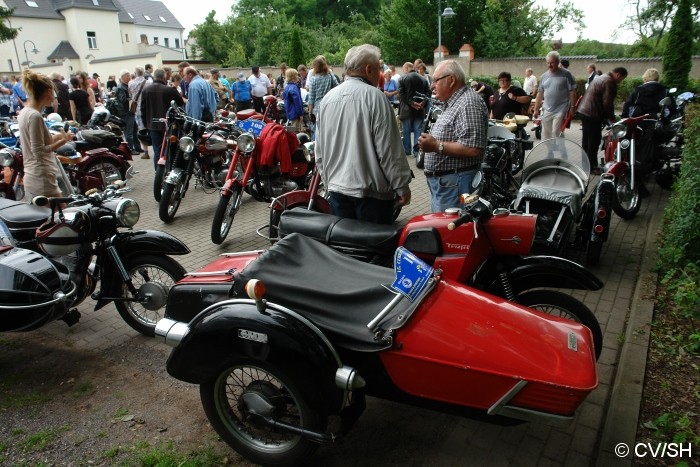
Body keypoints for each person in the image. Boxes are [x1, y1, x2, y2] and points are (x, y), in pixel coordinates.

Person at [316, 44, 411, 224]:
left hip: (337, 191)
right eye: (378, 69)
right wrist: (402, 187)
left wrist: (329, 182)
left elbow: (319, 152)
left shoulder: (327, 99)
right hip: (372, 197)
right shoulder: (376, 98)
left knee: (344, 249)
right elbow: (389, 151)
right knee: (373, 249)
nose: (380, 74)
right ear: (369, 69)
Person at [418, 60, 488, 213]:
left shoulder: (468, 103)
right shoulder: (455, 102)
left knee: (451, 234)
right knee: (445, 232)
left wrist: (436, 146)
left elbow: (473, 148)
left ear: (451, 80)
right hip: (448, 185)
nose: (432, 85)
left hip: (455, 185)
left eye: (436, 80)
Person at [17, 69, 73, 198]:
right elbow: (38, 151)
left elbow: (40, 140)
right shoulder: (35, 116)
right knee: (60, 214)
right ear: (48, 92)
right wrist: (63, 141)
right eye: (53, 93)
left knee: (55, 214)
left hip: (34, 174)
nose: (54, 97)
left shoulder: (25, 112)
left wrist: (60, 136)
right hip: (41, 176)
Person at [577, 67, 628, 170]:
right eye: (621, 79)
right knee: (594, 141)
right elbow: (607, 103)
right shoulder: (610, 82)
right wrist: (612, 118)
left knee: (586, 141)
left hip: (584, 111)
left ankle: (585, 165)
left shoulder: (601, 77)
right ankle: (592, 166)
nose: (620, 82)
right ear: (618, 75)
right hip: (593, 113)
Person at [140, 68, 185, 169]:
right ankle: (169, 170)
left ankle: (158, 173)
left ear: (154, 77)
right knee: (170, 149)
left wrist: (146, 124)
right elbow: (180, 102)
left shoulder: (146, 90)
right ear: (164, 77)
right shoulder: (168, 90)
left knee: (157, 150)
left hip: (153, 125)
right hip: (168, 125)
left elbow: (143, 109)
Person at [532, 51, 576, 139]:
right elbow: (540, 93)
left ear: (558, 62)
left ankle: (561, 149)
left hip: (561, 107)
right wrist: (536, 109)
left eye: (552, 63)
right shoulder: (544, 76)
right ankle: (550, 151)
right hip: (547, 108)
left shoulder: (567, 74)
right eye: (548, 63)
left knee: (556, 131)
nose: (549, 65)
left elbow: (572, 92)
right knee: (546, 133)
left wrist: (572, 107)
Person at [398, 62, 430, 157]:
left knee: (406, 131)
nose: (404, 71)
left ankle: (407, 150)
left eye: (404, 69)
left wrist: (411, 103)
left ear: (407, 68)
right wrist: (422, 104)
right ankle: (417, 152)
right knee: (418, 131)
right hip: (419, 110)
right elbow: (428, 93)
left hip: (406, 110)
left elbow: (401, 94)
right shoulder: (423, 79)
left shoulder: (402, 78)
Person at [307, 55, 338, 138]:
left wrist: (310, 113)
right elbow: (337, 88)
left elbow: (311, 98)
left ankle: (316, 148)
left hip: (318, 109)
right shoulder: (330, 76)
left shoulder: (313, 79)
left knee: (317, 132)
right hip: (330, 106)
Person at [115, 69, 141, 154]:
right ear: (123, 77)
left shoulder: (127, 85)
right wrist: (132, 98)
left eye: (129, 75)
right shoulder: (120, 87)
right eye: (127, 75)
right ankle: (130, 149)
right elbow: (123, 100)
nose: (129, 77)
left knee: (134, 129)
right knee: (129, 131)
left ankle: (137, 147)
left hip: (131, 109)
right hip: (126, 111)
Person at [128, 66, 150, 158]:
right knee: (149, 127)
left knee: (141, 130)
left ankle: (146, 152)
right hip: (147, 108)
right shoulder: (148, 82)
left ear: (135, 73)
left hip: (136, 108)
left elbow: (130, 95)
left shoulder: (130, 83)